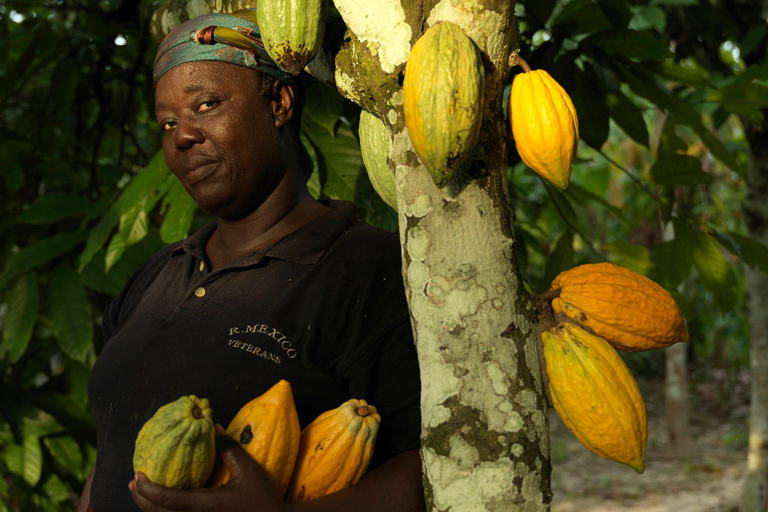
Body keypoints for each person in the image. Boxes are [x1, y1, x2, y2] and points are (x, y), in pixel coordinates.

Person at [78, 11, 424, 512]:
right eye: (168, 122)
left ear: (278, 103)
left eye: (206, 104)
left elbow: (424, 470)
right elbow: (111, 451)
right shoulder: (157, 275)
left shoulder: (366, 269)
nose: (182, 136)